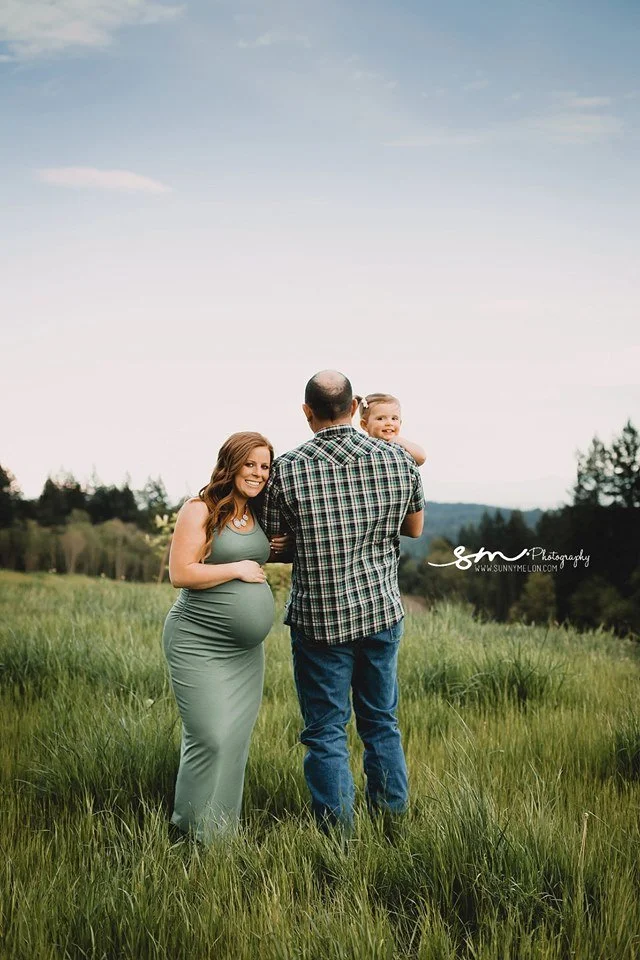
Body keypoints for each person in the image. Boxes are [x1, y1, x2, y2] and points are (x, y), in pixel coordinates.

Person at [262, 371, 425, 832]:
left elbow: (277, 546)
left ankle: (338, 841)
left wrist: (311, 542)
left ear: (306, 411)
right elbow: (413, 530)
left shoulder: (287, 468)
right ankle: (391, 823)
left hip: (320, 620)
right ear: (355, 407)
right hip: (380, 610)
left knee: (326, 733)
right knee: (380, 722)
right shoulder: (397, 459)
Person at [162, 431, 287, 845]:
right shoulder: (199, 508)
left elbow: (252, 549)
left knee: (234, 740)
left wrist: (275, 548)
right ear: (231, 464)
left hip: (244, 653)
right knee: (209, 737)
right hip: (198, 640)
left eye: (265, 466)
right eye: (250, 464)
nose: (258, 473)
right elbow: (181, 573)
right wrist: (237, 570)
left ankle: (219, 835)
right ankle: (187, 830)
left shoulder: (254, 513)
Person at [356, 392, 426, 466]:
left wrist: (399, 440)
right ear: (365, 425)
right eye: (380, 418)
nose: (389, 423)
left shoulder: (400, 444)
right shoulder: (363, 447)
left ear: (400, 423)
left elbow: (421, 457)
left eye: (394, 418)